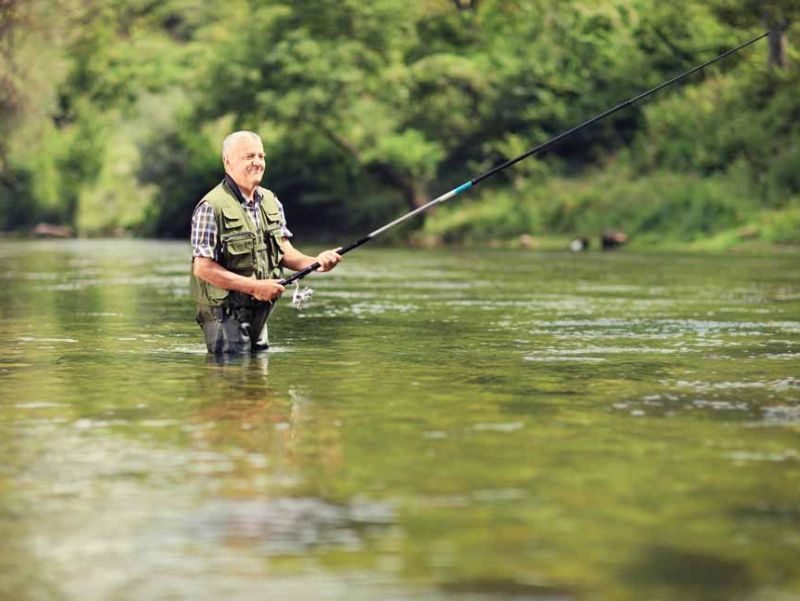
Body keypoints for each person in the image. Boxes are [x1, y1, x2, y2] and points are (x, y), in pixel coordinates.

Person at [189, 131, 342, 354]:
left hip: (260, 311)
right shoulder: (210, 207)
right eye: (249, 156)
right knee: (232, 373)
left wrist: (317, 262)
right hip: (224, 314)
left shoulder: (271, 201)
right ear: (228, 162)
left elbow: (284, 251)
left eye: (261, 156)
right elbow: (202, 268)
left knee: (258, 373)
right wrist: (255, 287)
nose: (257, 162)